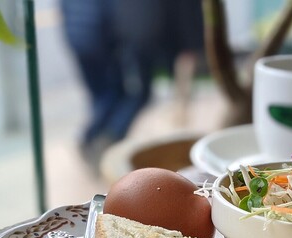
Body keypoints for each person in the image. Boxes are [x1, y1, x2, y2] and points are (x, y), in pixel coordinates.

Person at [59, 0, 204, 169]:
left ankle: (93, 138)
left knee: (109, 95)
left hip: (85, 36)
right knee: (135, 95)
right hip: (128, 36)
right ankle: (105, 139)